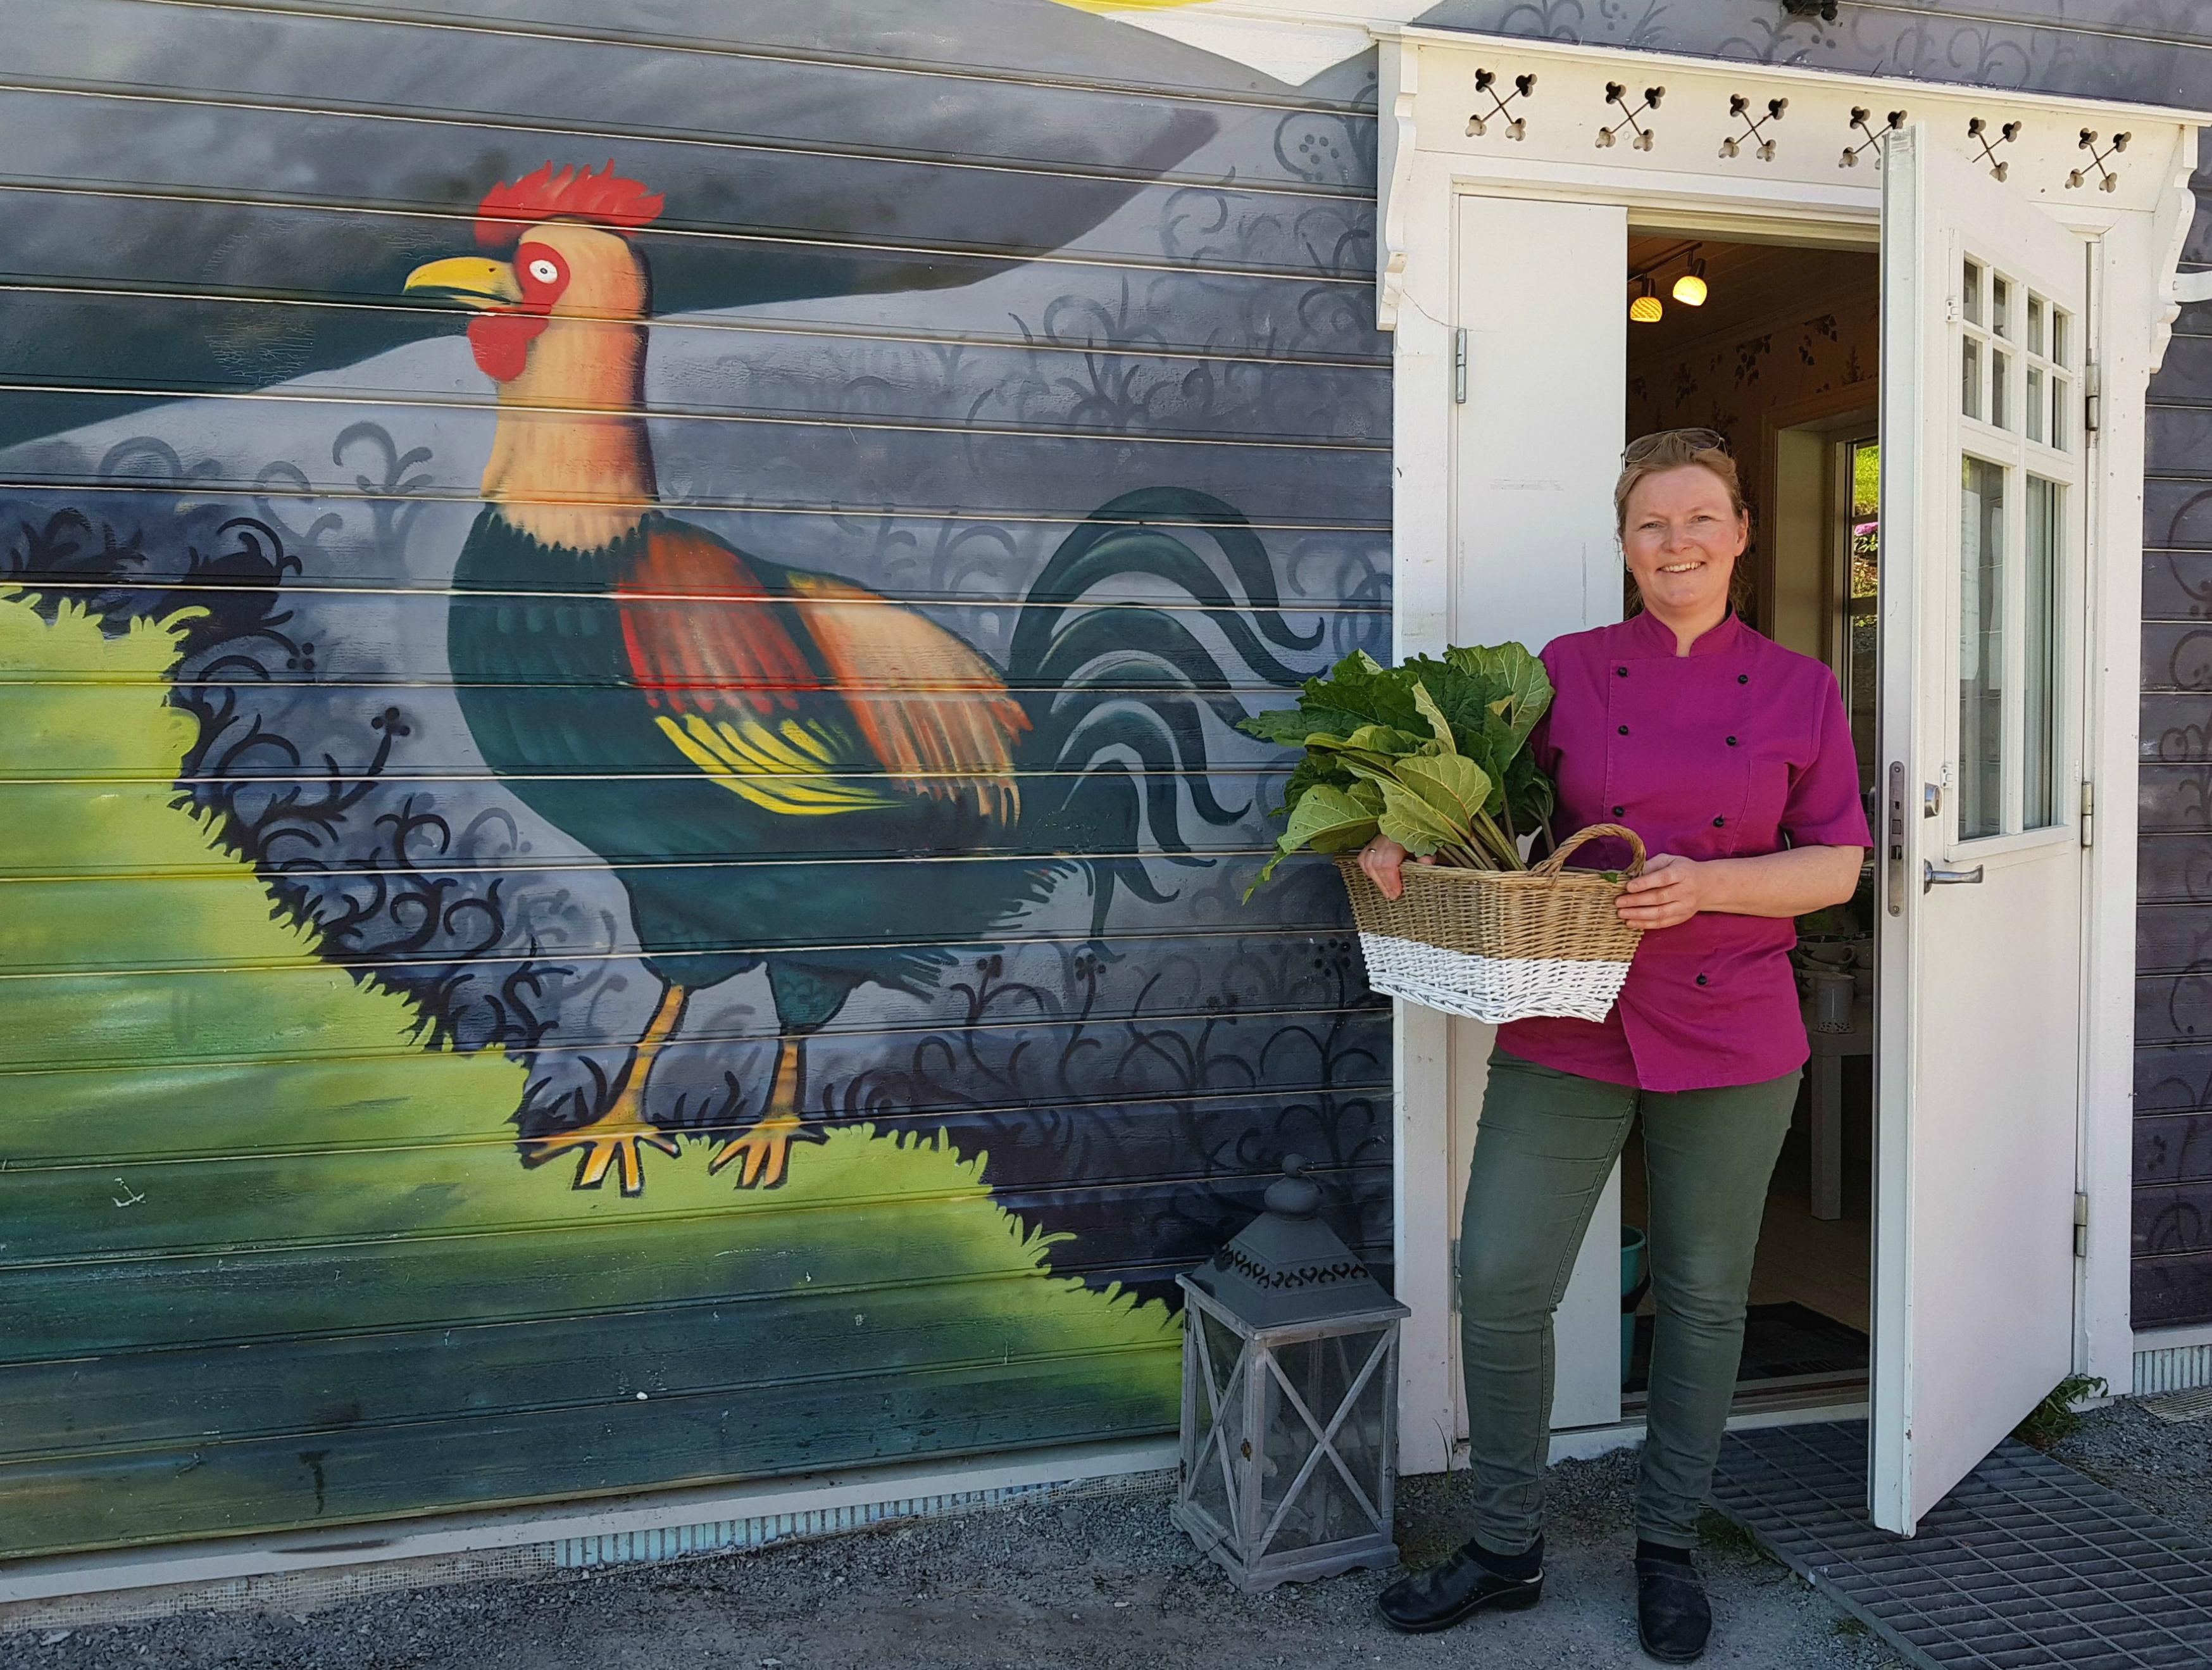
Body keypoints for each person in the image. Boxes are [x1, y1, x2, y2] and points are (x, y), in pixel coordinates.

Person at [1365, 430, 1872, 1664]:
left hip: (1734, 1027)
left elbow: (1837, 860)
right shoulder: (1566, 670)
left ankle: (1665, 1546)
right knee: (1498, 1276)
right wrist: (1395, 839)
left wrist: (1709, 885)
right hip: (1567, 1008)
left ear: (1741, 531)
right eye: (1652, 523)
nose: (1678, 541)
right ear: (1623, 544)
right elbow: (1486, 814)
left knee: (1701, 1298)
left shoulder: (1800, 686)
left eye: (1700, 517)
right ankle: (1502, 1544)